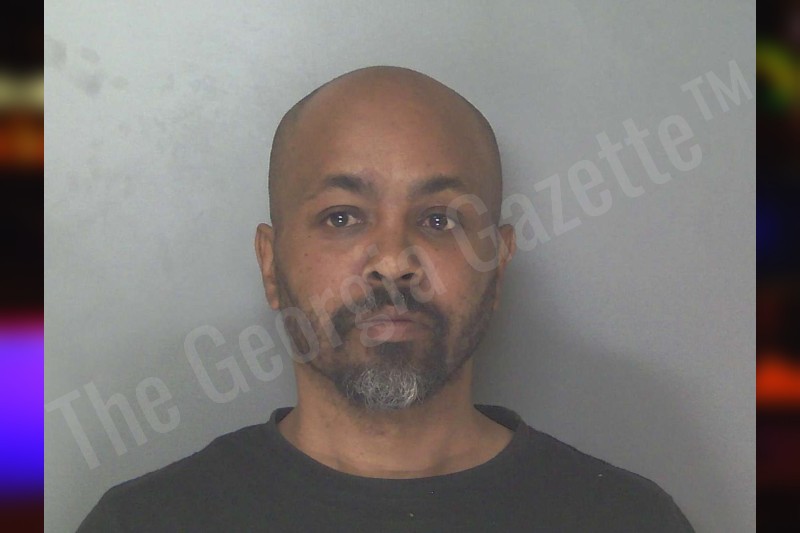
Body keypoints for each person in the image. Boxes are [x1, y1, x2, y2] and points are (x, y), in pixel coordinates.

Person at [77, 66, 694, 532]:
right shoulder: (144, 521)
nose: (394, 260)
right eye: (342, 217)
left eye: (439, 219)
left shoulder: (628, 519)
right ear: (270, 264)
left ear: (498, 262)